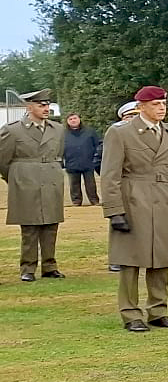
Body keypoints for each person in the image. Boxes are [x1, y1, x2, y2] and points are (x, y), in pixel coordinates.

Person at [102, 86, 168, 331]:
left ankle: (158, 310)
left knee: (161, 259)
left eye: (163, 103)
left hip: (165, 200)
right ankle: (131, 314)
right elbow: (110, 175)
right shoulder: (120, 133)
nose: (161, 108)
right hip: (133, 199)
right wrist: (114, 210)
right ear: (140, 107)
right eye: (155, 104)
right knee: (130, 261)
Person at [1, 89, 66, 281]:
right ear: (29, 107)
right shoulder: (12, 130)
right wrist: (16, 177)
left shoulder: (58, 129)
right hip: (25, 180)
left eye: (47, 105)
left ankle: (49, 266)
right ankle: (28, 268)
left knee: (51, 225)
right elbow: (3, 159)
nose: (46, 108)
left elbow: (58, 154)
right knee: (29, 227)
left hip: (51, 179)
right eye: (41, 105)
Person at [108, 100, 140, 273]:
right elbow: (103, 162)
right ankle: (116, 259)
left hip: (141, 185)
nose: (133, 119)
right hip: (121, 185)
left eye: (136, 116)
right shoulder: (116, 133)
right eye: (130, 116)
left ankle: (136, 256)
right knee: (119, 223)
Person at [63, 112, 102, 207]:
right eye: (70, 119)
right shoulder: (63, 134)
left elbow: (98, 144)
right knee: (74, 184)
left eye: (75, 118)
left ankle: (94, 201)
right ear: (67, 122)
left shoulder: (90, 131)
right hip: (71, 163)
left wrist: (96, 158)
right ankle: (76, 202)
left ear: (79, 119)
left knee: (91, 184)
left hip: (88, 162)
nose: (73, 120)